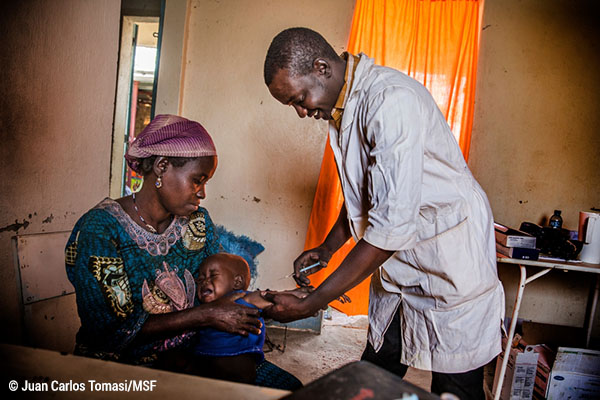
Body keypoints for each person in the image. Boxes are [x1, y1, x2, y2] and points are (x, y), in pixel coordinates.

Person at [261, 28, 504, 399]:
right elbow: (369, 194)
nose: (300, 111)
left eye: (299, 98)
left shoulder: (390, 102)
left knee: (456, 383)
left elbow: (390, 226)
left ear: (321, 68)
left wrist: (313, 302)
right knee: (378, 366)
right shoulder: (343, 108)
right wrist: (328, 248)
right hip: (402, 263)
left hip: (449, 260)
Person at [65, 114, 298, 389]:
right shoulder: (101, 229)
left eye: (205, 183)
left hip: (196, 355)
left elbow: (220, 294)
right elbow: (108, 331)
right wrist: (205, 316)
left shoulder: (198, 223)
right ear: (162, 167)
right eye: (197, 180)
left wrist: (269, 302)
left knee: (289, 389)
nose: (202, 194)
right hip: (122, 370)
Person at [191, 253, 303, 390]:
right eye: (200, 279)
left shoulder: (241, 299)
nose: (204, 282)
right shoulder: (202, 308)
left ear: (237, 282)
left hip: (234, 371)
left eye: (212, 276)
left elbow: (271, 297)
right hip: (210, 366)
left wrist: (298, 295)